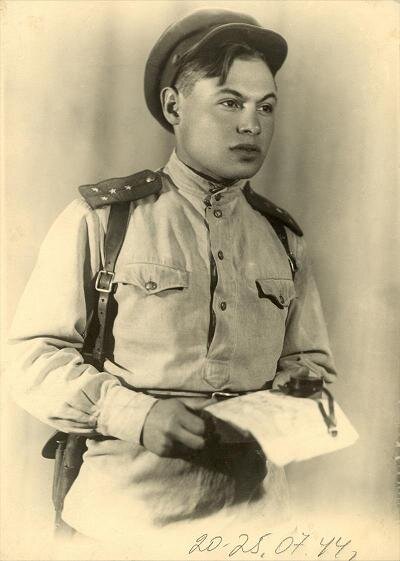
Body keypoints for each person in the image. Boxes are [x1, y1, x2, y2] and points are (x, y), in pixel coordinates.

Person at [8, 7, 336, 550]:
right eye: (230, 102)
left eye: (266, 106)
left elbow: (310, 365)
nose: (252, 124)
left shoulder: (282, 238)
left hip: (256, 529)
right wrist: (136, 414)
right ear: (173, 106)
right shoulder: (105, 220)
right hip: (123, 528)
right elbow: (29, 359)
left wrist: (291, 402)